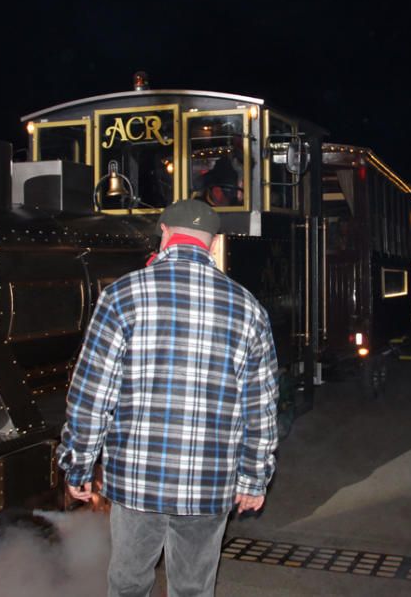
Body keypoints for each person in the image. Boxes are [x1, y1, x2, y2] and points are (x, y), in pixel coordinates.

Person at [57, 199, 278, 597]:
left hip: (136, 481)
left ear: (163, 233)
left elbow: (92, 395)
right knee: (193, 588)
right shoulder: (249, 309)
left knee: (128, 583)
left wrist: (79, 466)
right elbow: (259, 408)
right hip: (209, 484)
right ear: (212, 244)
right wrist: (253, 477)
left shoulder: (122, 296)